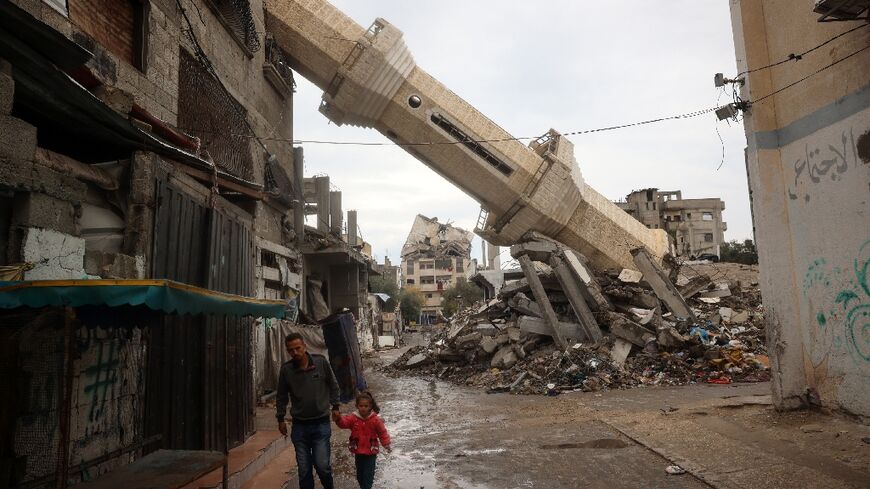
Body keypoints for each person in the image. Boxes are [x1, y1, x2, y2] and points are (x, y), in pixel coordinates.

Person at [276, 333, 340, 489]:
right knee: (304, 470)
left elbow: (333, 385)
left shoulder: (320, 362)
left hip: (321, 424)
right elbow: (281, 396)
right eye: (291, 350)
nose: (295, 352)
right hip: (300, 427)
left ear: (304, 346)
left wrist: (336, 407)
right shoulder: (286, 370)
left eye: (297, 348)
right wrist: (280, 418)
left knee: (322, 466)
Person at [332, 391, 392, 489]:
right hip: (358, 451)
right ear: (357, 406)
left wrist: (386, 444)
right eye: (361, 406)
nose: (363, 408)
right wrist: (338, 419)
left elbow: (382, 432)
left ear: (370, 406)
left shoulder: (375, 420)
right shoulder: (353, 418)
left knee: (368, 476)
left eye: (366, 406)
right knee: (360, 475)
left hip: (371, 451)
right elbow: (344, 423)